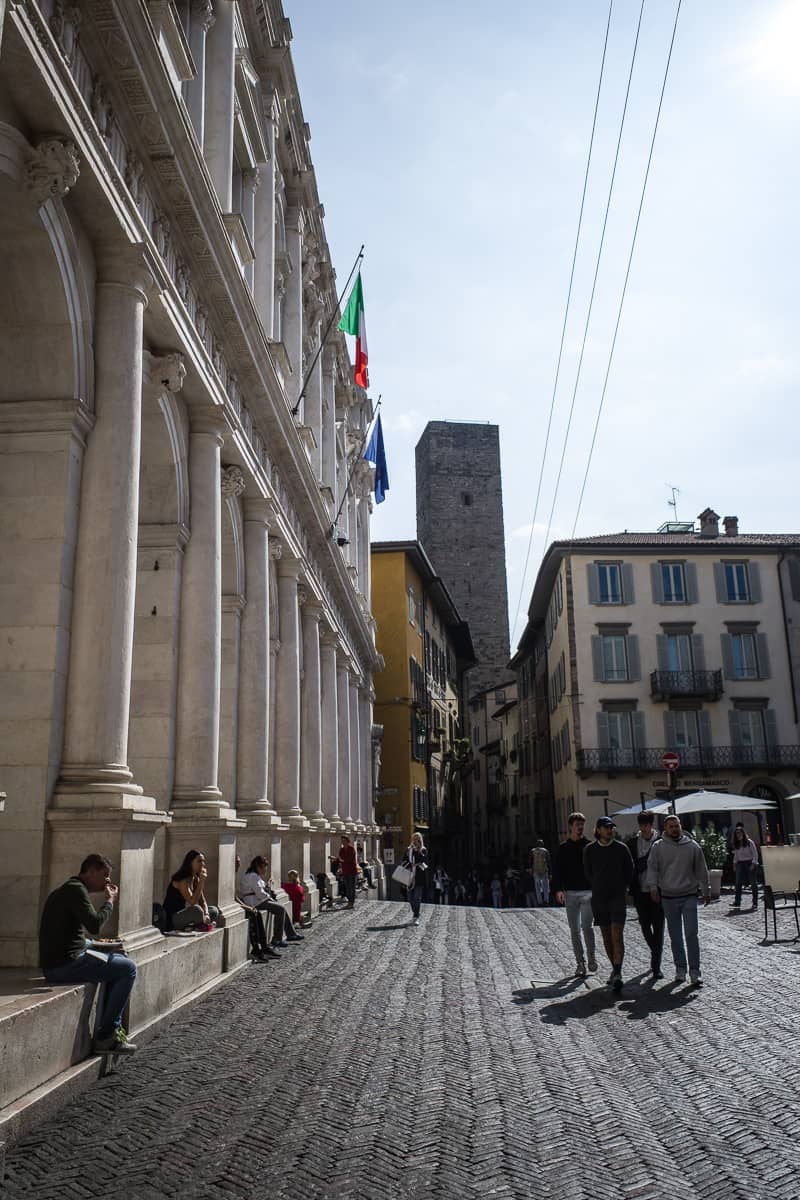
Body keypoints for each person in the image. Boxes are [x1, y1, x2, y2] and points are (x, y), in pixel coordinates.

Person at [39, 854, 138, 1055]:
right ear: (91, 871)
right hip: (62, 967)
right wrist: (109, 902)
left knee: (119, 958)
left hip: (61, 959)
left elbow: (79, 937)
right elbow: (94, 925)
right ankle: (106, 1036)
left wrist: (94, 945)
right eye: (105, 875)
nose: (107, 881)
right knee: (128, 969)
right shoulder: (76, 891)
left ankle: (109, 1027)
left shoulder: (69, 888)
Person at [646, 814, 710, 986]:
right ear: (665, 829)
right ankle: (680, 970)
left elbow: (701, 869)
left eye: (677, 825)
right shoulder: (658, 847)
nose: (675, 828)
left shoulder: (692, 846)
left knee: (691, 934)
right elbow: (652, 868)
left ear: (681, 826)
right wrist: (653, 887)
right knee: (675, 937)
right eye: (671, 826)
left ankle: (695, 972)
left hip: (689, 894)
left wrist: (706, 889)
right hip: (668, 897)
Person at [583, 817, 634, 992]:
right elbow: (588, 873)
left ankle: (618, 973)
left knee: (616, 934)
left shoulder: (621, 848)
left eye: (611, 828)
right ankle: (615, 969)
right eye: (606, 828)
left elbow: (630, 870)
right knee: (606, 937)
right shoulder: (590, 850)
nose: (609, 830)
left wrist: (622, 887)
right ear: (598, 830)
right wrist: (599, 885)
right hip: (599, 899)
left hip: (617, 897)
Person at [553, 812, 597, 977]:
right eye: (577, 825)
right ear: (571, 826)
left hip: (587, 892)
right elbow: (557, 870)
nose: (580, 828)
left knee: (587, 927)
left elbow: (595, 869)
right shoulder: (563, 848)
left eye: (582, 825)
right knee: (574, 930)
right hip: (570, 893)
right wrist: (558, 889)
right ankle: (580, 962)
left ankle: (591, 957)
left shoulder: (590, 846)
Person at [625, 811, 665, 979]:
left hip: (659, 890)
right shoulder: (632, 843)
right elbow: (628, 866)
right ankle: (655, 950)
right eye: (642, 825)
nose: (645, 828)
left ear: (651, 824)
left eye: (647, 824)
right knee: (644, 924)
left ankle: (656, 965)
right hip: (640, 890)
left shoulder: (661, 841)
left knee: (659, 927)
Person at [239, 856, 304, 946]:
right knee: (280, 909)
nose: (265, 870)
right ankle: (277, 938)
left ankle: (290, 933)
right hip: (255, 902)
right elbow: (260, 893)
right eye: (264, 867)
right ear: (258, 867)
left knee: (281, 908)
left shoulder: (255, 876)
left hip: (258, 900)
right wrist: (270, 897)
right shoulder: (252, 876)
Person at [234, 855, 280, 961]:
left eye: (239, 862)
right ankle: (256, 948)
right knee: (255, 914)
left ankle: (264, 947)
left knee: (257, 914)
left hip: (248, 903)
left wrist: (245, 906)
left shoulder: (252, 875)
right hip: (251, 902)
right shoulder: (251, 876)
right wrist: (246, 907)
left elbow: (235, 897)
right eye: (236, 862)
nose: (239, 864)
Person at [163, 850, 220, 932]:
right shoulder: (182, 880)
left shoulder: (195, 878)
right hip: (173, 918)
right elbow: (192, 901)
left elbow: (202, 901)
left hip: (184, 915)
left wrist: (207, 914)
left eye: (203, 861)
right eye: (199, 861)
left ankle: (198, 924)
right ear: (190, 863)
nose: (203, 864)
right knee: (197, 910)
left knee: (214, 910)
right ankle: (199, 925)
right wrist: (202, 881)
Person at [730, 825, 759, 910]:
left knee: (753, 883)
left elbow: (755, 854)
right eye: (737, 833)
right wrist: (734, 864)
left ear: (743, 833)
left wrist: (753, 864)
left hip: (750, 862)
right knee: (738, 883)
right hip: (740, 863)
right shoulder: (737, 844)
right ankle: (737, 902)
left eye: (740, 833)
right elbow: (736, 855)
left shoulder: (749, 842)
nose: (738, 835)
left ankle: (755, 903)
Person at [402, 832, 428, 926]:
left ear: (420, 840)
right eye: (414, 839)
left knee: (417, 897)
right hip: (409, 875)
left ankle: (416, 916)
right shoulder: (408, 850)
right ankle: (415, 913)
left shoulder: (423, 850)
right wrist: (409, 865)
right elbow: (404, 861)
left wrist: (416, 863)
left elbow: (424, 862)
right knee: (410, 898)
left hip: (419, 877)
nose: (415, 840)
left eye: (417, 839)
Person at [338, 835, 359, 909]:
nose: (343, 842)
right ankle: (349, 902)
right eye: (342, 841)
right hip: (345, 871)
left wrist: (340, 860)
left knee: (352, 888)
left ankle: (351, 903)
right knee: (347, 887)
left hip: (352, 871)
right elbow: (341, 858)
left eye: (344, 841)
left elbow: (348, 859)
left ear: (347, 841)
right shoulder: (342, 850)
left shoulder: (351, 849)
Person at [531, 840, 551, 906]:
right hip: (544, 870)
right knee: (545, 886)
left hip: (536, 871)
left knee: (537, 887)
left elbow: (530, 860)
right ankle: (546, 901)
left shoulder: (533, 851)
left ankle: (539, 901)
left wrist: (531, 869)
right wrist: (550, 871)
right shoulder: (545, 851)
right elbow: (549, 861)